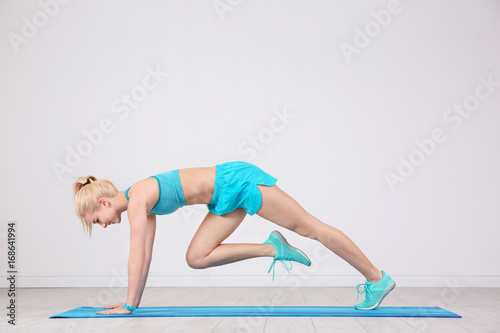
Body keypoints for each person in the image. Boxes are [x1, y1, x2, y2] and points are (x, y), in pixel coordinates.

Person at [73, 161, 395, 314]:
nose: (102, 225)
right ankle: (272, 248)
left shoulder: (138, 198)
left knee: (310, 227)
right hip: (222, 198)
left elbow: (136, 257)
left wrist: (128, 306)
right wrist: (133, 304)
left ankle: (376, 277)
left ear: (103, 203)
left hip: (237, 181)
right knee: (195, 257)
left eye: (97, 220)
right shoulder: (142, 204)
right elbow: (146, 259)